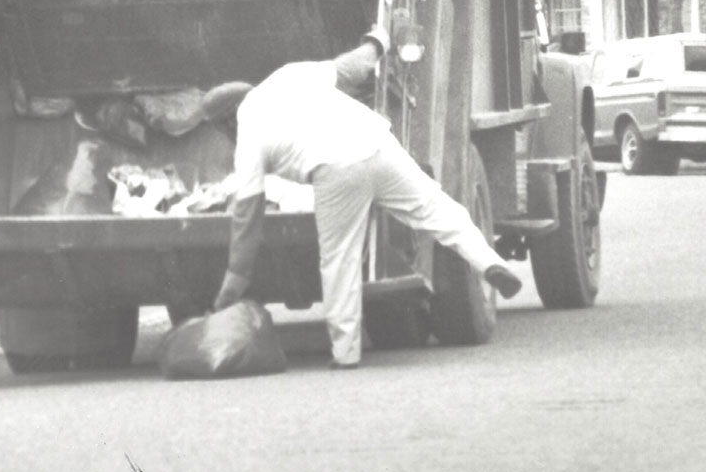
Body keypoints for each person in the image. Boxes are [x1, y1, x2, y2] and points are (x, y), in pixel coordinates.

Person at [201, 29, 522, 369]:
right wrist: (379, 40)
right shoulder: (287, 76)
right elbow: (356, 66)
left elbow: (247, 218)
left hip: (336, 169)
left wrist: (233, 283)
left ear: (226, 121)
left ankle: (346, 353)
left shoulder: (248, 128)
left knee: (339, 260)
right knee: (438, 209)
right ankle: (489, 262)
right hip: (378, 141)